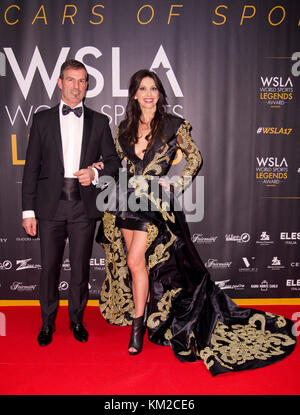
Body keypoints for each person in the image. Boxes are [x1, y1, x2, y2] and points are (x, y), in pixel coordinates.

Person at [95, 69, 296, 375]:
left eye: (154, 88)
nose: (149, 93)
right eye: (142, 88)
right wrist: (102, 166)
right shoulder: (123, 129)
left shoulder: (173, 125)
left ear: (160, 94)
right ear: (134, 94)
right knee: (138, 265)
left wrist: (176, 184)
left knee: (136, 261)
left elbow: (195, 157)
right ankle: (148, 318)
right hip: (125, 202)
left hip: (154, 205)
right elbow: (114, 162)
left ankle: (137, 331)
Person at [22, 59, 120, 346]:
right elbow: (31, 169)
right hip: (50, 207)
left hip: (83, 207)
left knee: (80, 269)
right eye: (71, 80)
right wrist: (28, 210)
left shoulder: (99, 121)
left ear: (87, 85)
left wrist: (95, 171)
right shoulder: (41, 120)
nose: (76, 87)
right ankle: (47, 323)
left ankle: (77, 320)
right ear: (60, 83)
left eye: (82, 81)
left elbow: (113, 162)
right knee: (49, 267)